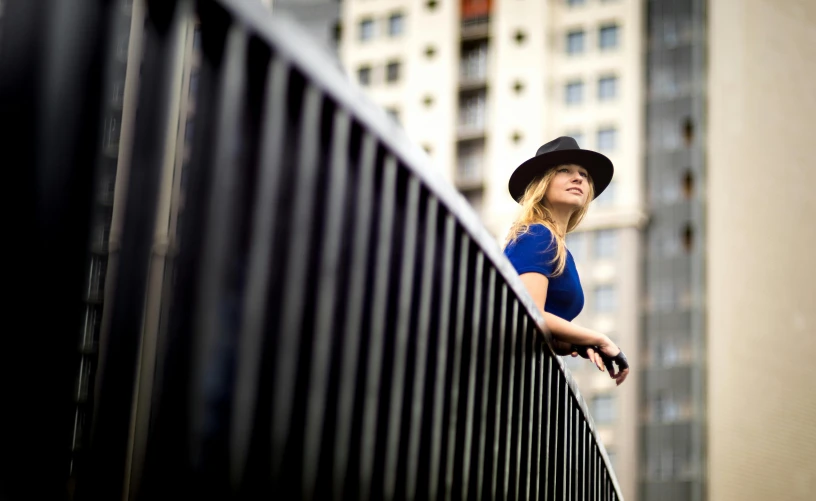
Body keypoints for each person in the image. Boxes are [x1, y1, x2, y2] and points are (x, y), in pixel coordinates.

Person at [503, 137, 630, 386]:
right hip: (506, 374)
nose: (578, 178)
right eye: (564, 170)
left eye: (583, 174)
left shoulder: (559, 248)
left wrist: (575, 343)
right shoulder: (537, 235)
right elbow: (530, 313)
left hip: (525, 376)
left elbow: (541, 328)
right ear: (541, 184)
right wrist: (600, 338)